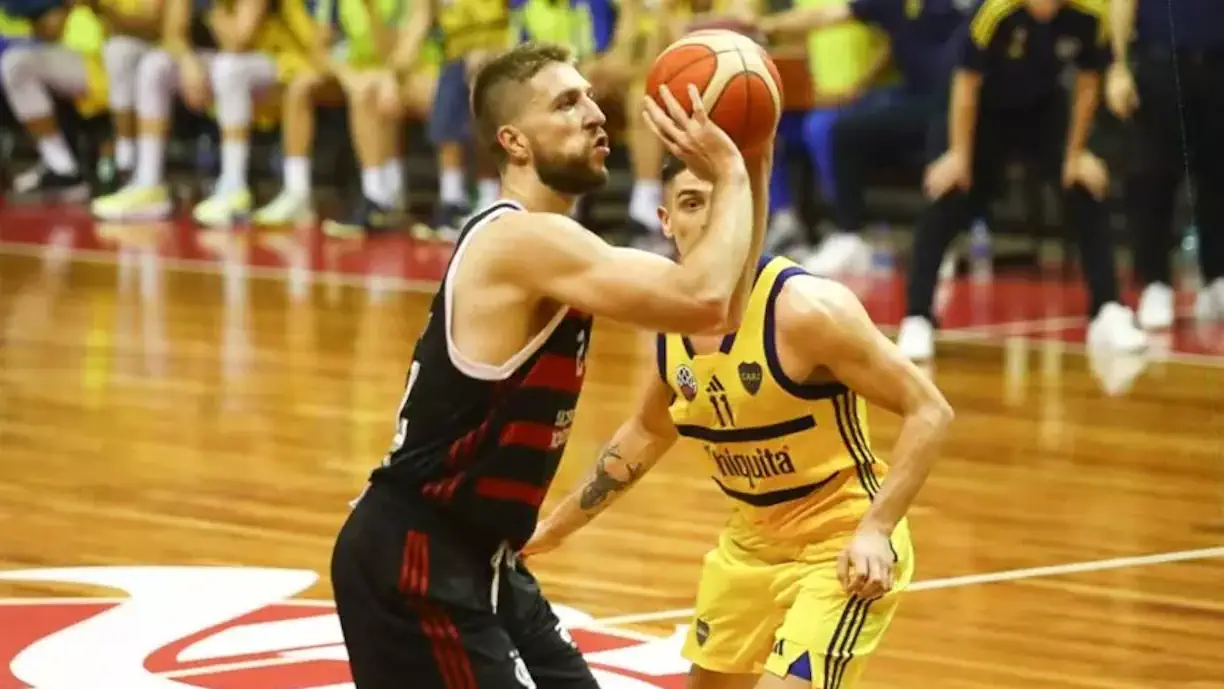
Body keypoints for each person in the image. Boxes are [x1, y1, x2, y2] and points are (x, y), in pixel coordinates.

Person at [329, 41, 770, 689]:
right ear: (514, 141)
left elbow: (726, 312)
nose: (594, 113)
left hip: (485, 556)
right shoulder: (519, 239)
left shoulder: (564, 246)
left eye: (591, 96)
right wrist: (730, 174)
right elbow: (699, 300)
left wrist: (755, 160)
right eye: (567, 103)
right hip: (418, 558)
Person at [524, 153, 954, 689]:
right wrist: (549, 530)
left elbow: (930, 410)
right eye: (689, 203)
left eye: (719, 202)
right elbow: (647, 432)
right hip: (749, 544)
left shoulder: (807, 310)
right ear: (665, 221)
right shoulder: (671, 320)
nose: (705, 219)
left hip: (839, 541)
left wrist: (877, 528)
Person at [896, 0, 1148, 360]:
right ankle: (917, 316)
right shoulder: (995, 12)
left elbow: (1088, 82)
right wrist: (958, 156)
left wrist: (1075, 154)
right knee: (945, 194)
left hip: (1041, 112)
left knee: (1085, 187)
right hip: (980, 113)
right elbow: (966, 83)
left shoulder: (1090, 14)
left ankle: (1107, 310)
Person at [757, 0, 967, 276]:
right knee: (843, 130)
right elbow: (831, 15)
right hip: (913, 95)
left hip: (960, 100)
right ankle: (851, 235)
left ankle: (942, 242)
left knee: (941, 135)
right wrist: (767, 25)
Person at [1106, 0, 1224, 328]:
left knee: (1218, 176)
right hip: (1160, 60)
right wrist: (1118, 65)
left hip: (1218, 61)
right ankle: (1154, 282)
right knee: (1152, 177)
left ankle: (1217, 278)